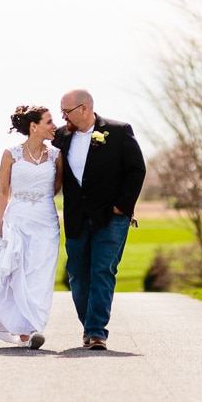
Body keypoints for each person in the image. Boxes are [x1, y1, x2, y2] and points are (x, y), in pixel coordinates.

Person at [53, 89, 146, 350]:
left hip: (111, 217)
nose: (63, 116)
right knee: (77, 274)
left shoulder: (118, 131)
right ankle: (89, 325)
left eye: (66, 111)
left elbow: (136, 169)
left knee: (102, 270)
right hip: (76, 217)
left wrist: (122, 206)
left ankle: (96, 332)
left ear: (84, 109)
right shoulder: (61, 136)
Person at [0, 104, 62, 349]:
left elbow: (56, 187)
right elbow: (4, 191)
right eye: (49, 121)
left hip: (46, 220)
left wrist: (40, 198)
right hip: (17, 219)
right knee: (18, 272)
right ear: (34, 126)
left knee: (41, 272)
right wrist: (0, 221)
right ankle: (24, 328)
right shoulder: (10, 154)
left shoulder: (56, 155)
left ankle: (36, 326)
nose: (54, 126)